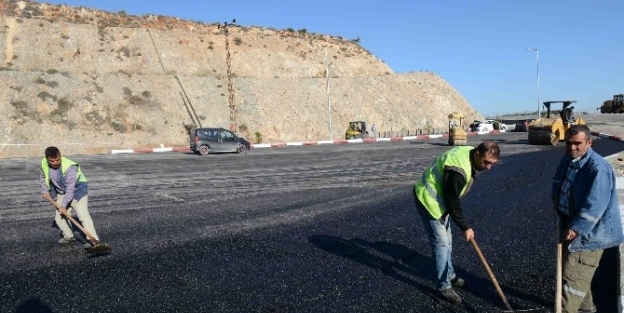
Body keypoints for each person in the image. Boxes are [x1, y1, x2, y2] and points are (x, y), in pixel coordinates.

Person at [414, 140, 500, 304]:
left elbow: (450, 199)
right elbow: (452, 200)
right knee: (441, 245)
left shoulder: (469, 152)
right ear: (477, 154)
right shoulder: (459, 170)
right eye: (486, 162)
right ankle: (444, 286)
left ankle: (450, 274)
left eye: (492, 164)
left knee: (449, 241)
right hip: (428, 201)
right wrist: (465, 227)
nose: (488, 167)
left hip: (440, 202)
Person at [552, 125, 623, 313]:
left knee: (571, 276)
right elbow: (558, 179)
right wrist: (556, 198)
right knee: (576, 274)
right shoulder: (568, 160)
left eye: (578, 143)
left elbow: (595, 205)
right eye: (568, 143)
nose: (572, 147)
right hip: (570, 222)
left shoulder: (598, 168)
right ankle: (586, 309)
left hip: (591, 232)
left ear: (589, 143)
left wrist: (576, 228)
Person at [40, 146, 101, 249]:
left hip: (78, 190)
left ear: (60, 156)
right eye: (52, 161)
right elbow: (42, 176)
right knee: (59, 218)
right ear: (47, 159)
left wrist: (63, 205)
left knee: (83, 215)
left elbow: (70, 189)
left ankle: (94, 240)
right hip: (61, 191)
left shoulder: (69, 167)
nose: (55, 163)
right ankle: (69, 236)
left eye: (57, 160)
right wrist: (44, 190)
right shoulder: (44, 163)